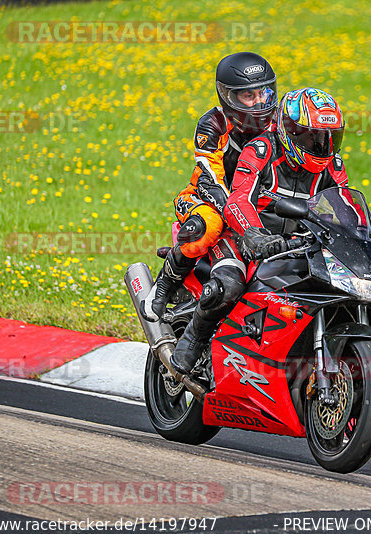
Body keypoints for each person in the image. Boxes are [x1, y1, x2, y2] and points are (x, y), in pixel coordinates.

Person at [170, 87, 348, 374]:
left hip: (296, 244)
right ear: (290, 132)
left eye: (329, 137)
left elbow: (344, 208)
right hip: (246, 237)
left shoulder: (332, 165)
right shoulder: (262, 150)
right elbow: (238, 199)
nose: (321, 146)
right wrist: (254, 233)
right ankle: (192, 341)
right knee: (228, 284)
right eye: (311, 137)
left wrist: (367, 240)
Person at [141, 51, 278, 322]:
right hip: (206, 197)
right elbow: (210, 177)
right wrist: (240, 216)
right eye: (249, 96)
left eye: (263, 93)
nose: (259, 102)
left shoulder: (277, 123)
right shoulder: (213, 124)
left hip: (252, 200)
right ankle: (163, 286)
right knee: (208, 226)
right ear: (228, 96)